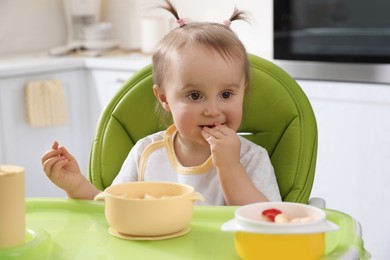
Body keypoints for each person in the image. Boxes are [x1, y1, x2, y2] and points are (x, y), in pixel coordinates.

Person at [41, 0, 281, 205]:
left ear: (243, 92)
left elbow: (266, 221)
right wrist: (77, 186)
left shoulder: (250, 158)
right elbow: (114, 209)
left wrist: (230, 167)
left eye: (226, 94)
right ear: (164, 98)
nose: (212, 110)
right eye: (195, 95)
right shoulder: (146, 153)